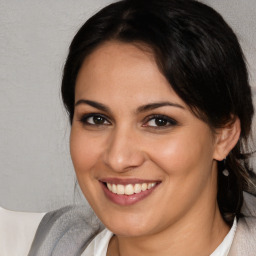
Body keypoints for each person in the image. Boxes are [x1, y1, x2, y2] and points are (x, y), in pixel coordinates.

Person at [1, 0, 255, 255]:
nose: (118, 158)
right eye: (97, 119)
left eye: (159, 121)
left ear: (224, 134)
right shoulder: (22, 245)